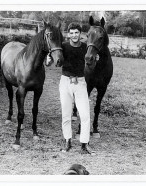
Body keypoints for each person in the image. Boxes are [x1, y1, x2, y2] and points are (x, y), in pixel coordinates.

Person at [48, 22, 95, 155]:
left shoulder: (86, 47)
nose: (74, 35)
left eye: (76, 33)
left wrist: (96, 59)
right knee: (66, 115)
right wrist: (48, 59)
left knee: (85, 115)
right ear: (68, 34)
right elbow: (52, 61)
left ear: (80, 34)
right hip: (65, 82)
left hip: (80, 82)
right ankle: (67, 141)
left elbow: (92, 63)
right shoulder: (63, 46)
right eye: (72, 33)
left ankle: (84, 145)